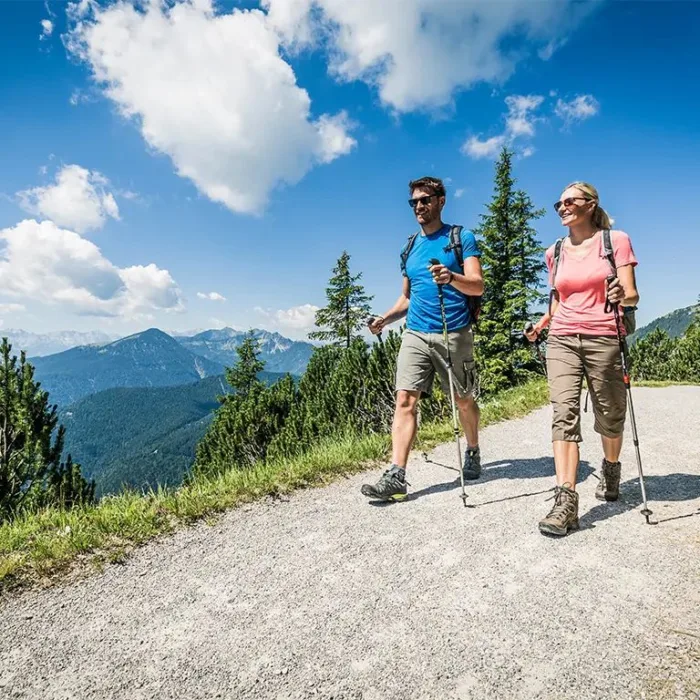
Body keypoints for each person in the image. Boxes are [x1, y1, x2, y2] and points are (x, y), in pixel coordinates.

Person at [525, 181, 639, 536]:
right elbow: (558, 299)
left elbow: (632, 294)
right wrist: (543, 323)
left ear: (590, 205)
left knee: (610, 414)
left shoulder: (614, 241)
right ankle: (566, 501)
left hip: (605, 334)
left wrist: (621, 293)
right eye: (558, 202)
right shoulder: (554, 251)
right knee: (564, 414)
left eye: (569, 201)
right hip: (561, 338)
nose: (562, 207)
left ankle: (611, 466)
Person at [361, 176, 484, 502]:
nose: (418, 206)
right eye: (413, 202)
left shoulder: (461, 238)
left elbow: (477, 285)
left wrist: (451, 276)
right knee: (405, 399)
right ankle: (396, 474)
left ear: (441, 200)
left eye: (424, 200)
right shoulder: (410, 247)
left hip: (453, 331)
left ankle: (472, 449)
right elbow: (407, 298)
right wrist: (385, 319)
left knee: (463, 400)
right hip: (415, 333)